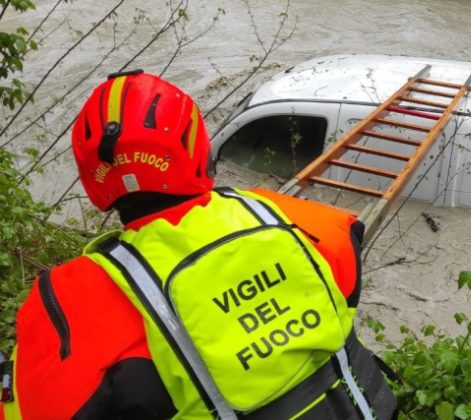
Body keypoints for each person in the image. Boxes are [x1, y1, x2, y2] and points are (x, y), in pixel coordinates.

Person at [0, 70, 397, 419]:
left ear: (93, 181)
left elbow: (31, 410)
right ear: (198, 151)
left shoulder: (71, 299)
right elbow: (348, 260)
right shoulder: (287, 215)